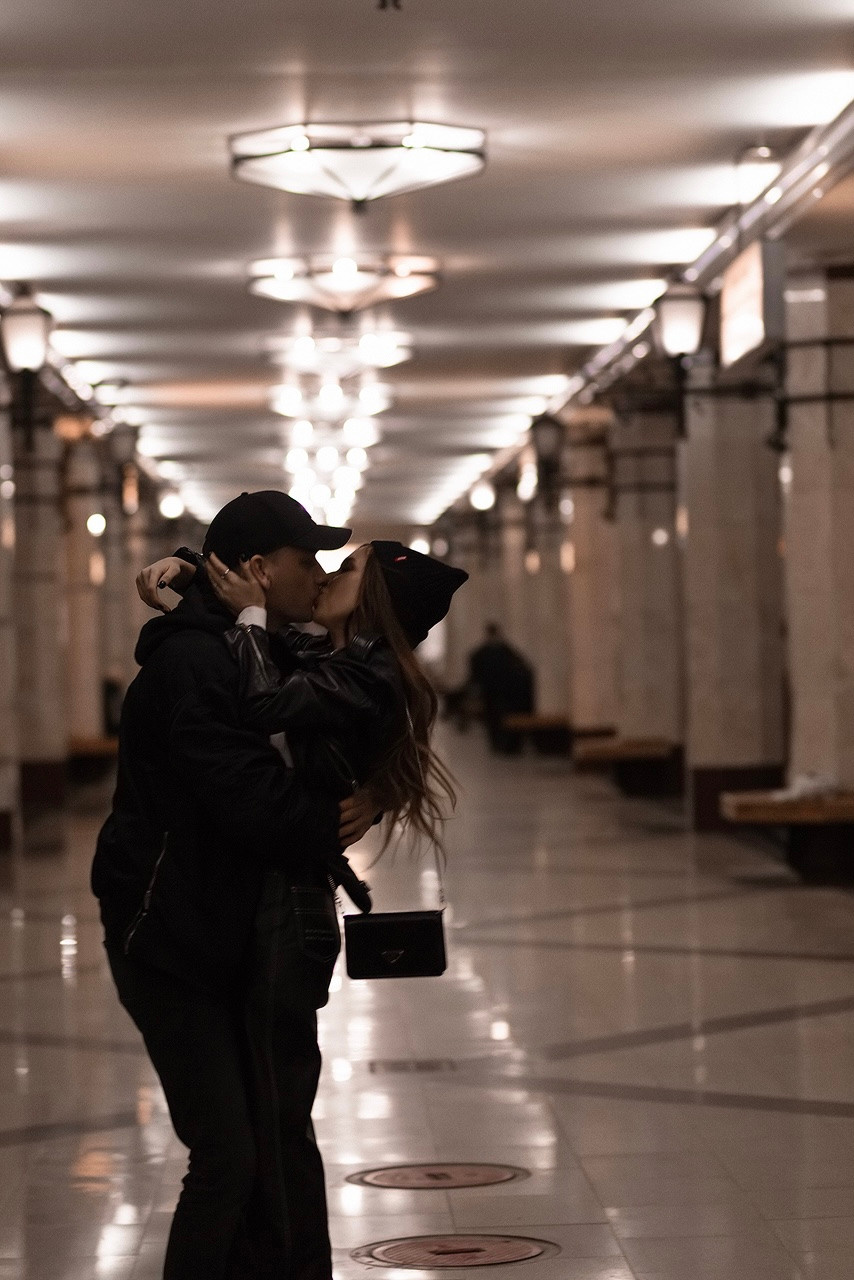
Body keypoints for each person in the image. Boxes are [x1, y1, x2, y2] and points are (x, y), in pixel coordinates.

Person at [106, 494, 468, 1280]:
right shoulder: (229, 658)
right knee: (255, 1142)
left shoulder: (330, 665)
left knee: (271, 1135)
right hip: (194, 931)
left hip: (263, 927)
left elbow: (273, 705)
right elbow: (261, 794)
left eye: (340, 566)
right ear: (265, 570)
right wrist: (198, 566)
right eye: (312, 560)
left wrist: (359, 800)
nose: (324, 572)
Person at [467, 621, 535, 754]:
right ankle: (506, 745)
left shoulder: (482, 652)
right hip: (503, 692)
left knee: (494, 718)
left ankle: (499, 744)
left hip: (493, 692)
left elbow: (475, 671)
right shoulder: (504, 650)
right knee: (499, 717)